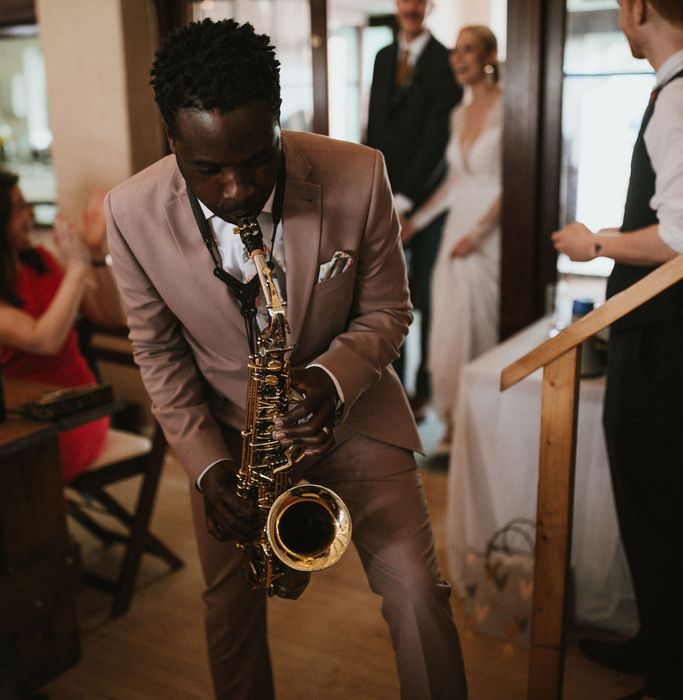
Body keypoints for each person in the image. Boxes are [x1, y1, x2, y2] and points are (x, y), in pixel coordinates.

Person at [105, 19, 467, 700]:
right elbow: (156, 352)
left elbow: (389, 313)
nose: (237, 190)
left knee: (419, 594)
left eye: (254, 159)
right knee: (228, 613)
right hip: (230, 445)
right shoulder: (130, 213)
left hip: (357, 421)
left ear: (278, 120)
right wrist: (207, 465)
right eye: (208, 169)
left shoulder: (359, 173)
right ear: (172, 141)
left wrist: (330, 380)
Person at [551, 1, 683, 698]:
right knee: (657, 506)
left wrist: (592, 242)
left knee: (654, 507)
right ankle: (660, 646)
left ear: (639, 8)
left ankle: (672, 677)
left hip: (662, 343)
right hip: (671, 339)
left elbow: (681, 235)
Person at [402, 25, 502, 452]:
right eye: (455, 52)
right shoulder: (457, 115)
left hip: (490, 230)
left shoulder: (510, 106)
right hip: (456, 227)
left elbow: (512, 183)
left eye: (468, 49)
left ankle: (483, 424)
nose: (458, 59)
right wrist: (417, 221)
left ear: (488, 56)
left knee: (480, 325)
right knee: (446, 328)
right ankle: (453, 423)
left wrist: (479, 234)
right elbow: (455, 183)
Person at [365, 0, 463, 421]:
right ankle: (396, 387)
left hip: (425, 200)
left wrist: (406, 200)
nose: (410, 6)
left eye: (418, 0)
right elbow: (374, 125)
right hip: (385, 195)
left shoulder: (444, 61)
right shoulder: (384, 57)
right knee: (389, 296)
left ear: (429, 6)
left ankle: (424, 391)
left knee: (425, 296)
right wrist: (376, 192)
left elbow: (437, 140)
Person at [0, 170, 125, 483]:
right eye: (18, 207)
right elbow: (43, 340)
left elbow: (108, 316)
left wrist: (94, 255)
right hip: (19, 418)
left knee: (18, 471)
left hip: (76, 412)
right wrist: (77, 268)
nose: (29, 214)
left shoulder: (39, 260)